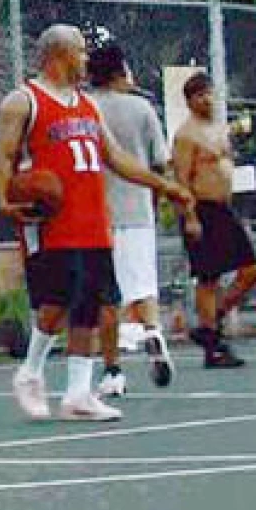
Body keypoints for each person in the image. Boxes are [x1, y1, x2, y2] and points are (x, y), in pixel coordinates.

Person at [0, 25, 194, 422]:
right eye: (80, 52)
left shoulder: (88, 106)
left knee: (91, 304)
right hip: (52, 220)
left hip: (93, 217)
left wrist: (164, 185)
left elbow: (116, 158)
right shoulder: (22, 102)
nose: (86, 60)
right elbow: (2, 159)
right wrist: (3, 199)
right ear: (58, 55)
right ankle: (30, 372)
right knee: (56, 304)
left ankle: (77, 395)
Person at [87, 44, 174, 395]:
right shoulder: (142, 108)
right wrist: (154, 200)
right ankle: (152, 331)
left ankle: (113, 371)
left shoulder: (87, 107)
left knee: (107, 297)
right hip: (138, 209)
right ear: (121, 71)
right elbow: (159, 162)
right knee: (143, 287)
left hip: (97, 213)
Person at [172, 71, 256, 368]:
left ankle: (210, 325)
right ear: (189, 101)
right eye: (199, 95)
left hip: (224, 209)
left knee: (250, 272)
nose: (206, 99)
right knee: (208, 277)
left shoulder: (219, 129)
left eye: (209, 92)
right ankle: (214, 348)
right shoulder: (186, 135)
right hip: (202, 210)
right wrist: (190, 217)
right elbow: (181, 180)